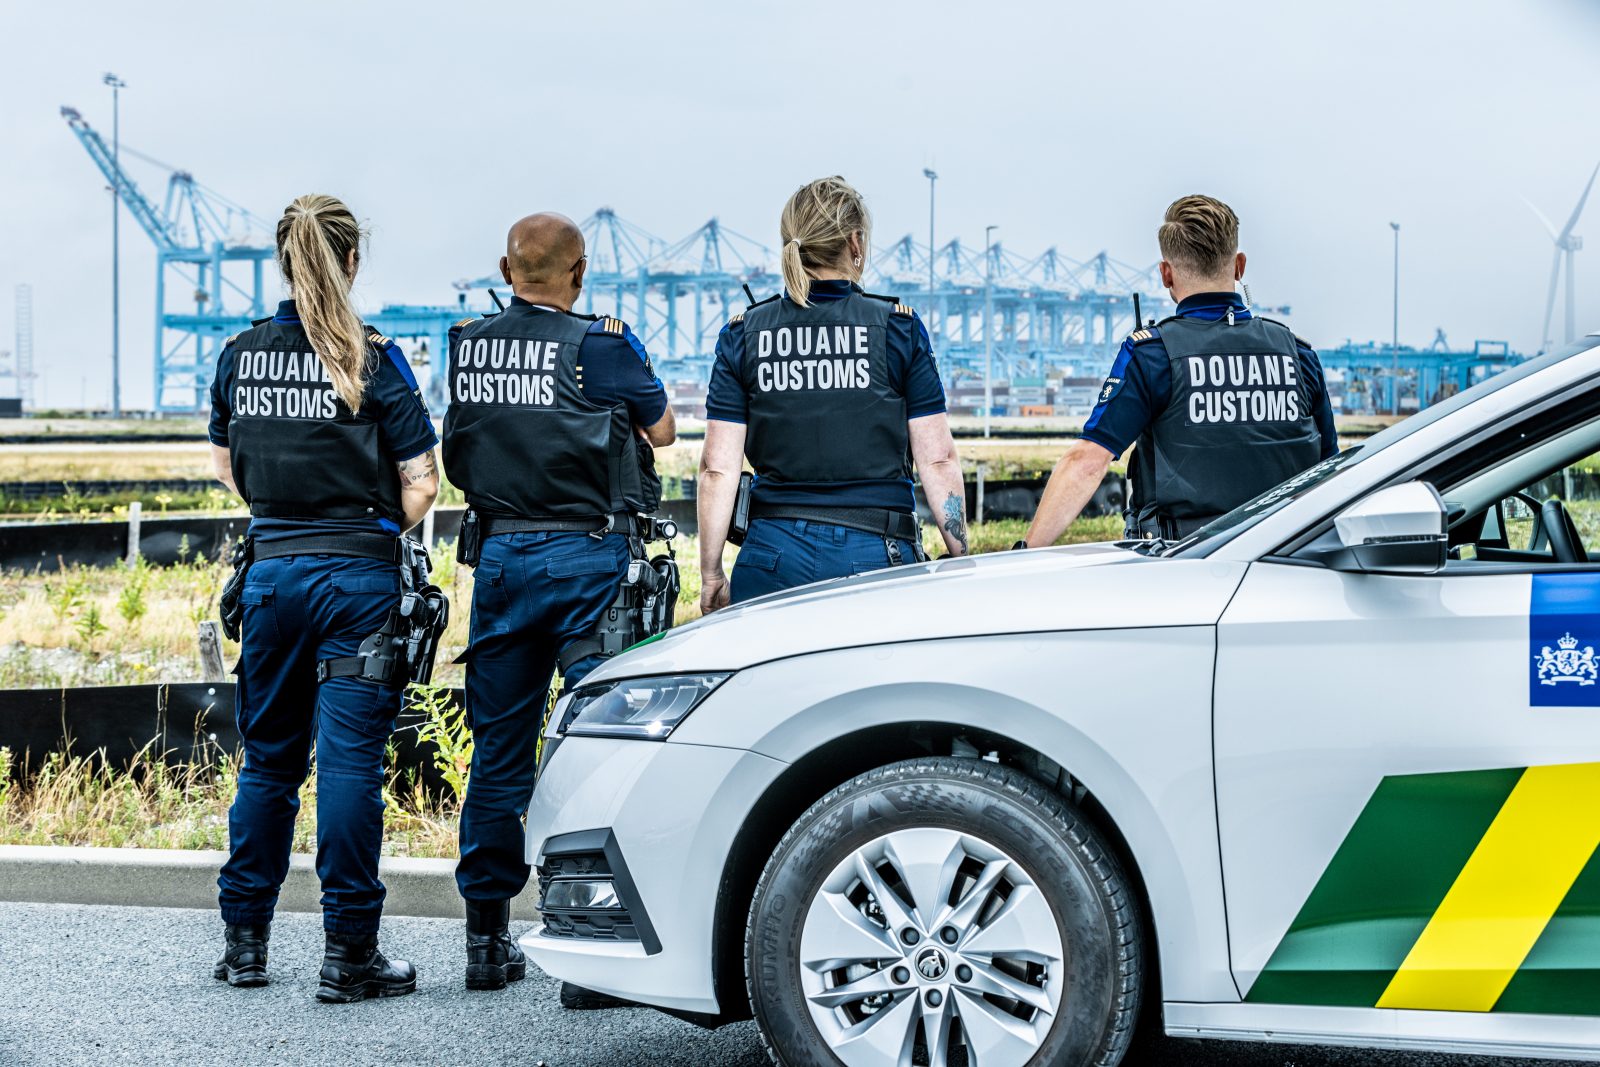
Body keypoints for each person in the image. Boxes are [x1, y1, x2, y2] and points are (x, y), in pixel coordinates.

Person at [208, 194, 441, 1002]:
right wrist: (368, 530)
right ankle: (349, 954)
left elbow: (227, 466)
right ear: (351, 261)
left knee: (269, 763)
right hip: (359, 583)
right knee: (349, 766)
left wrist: (286, 518)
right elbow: (423, 482)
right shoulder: (374, 356)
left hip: (271, 576)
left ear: (283, 260)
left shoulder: (240, 354)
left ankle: (245, 944)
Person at [441, 212, 675, 1000]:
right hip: (588, 560)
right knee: (601, 748)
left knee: (498, 752)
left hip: (502, 561)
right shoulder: (603, 344)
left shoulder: (469, 343)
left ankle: (484, 941)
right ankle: (591, 952)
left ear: (505, 271)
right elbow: (663, 430)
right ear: (579, 274)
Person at [697, 176, 967, 613]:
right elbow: (937, 460)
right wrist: (961, 556)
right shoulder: (898, 328)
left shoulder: (744, 334)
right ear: (855, 243)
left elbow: (717, 468)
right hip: (876, 552)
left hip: (770, 556)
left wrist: (711, 574)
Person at [1023, 194, 1338, 547]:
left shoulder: (1152, 355)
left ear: (1166, 273)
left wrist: (1023, 555)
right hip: (1286, 555)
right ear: (1239, 266)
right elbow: (1331, 474)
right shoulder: (1298, 355)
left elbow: (1087, 462)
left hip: (1181, 561)